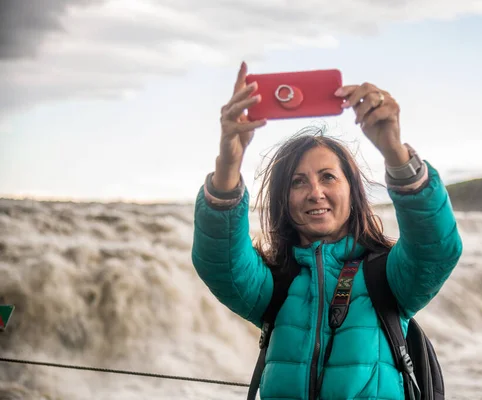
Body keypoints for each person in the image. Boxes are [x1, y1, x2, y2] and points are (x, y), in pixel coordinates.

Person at [191, 61, 463, 400]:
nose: (315, 192)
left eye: (328, 177)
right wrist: (228, 163)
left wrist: (394, 152)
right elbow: (219, 260)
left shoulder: (387, 278)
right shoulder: (275, 285)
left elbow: (435, 248)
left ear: (352, 191)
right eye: (298, 182)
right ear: (283, 201)